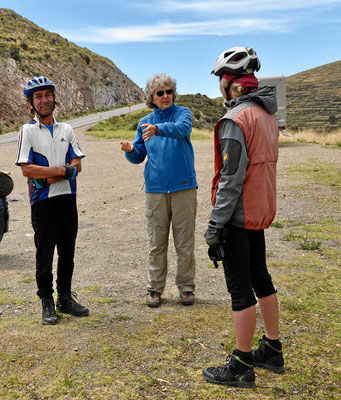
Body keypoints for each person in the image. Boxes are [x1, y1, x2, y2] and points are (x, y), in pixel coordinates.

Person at [202, 47, 284, 388]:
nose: (221, 86)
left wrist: (214, 225)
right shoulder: (266, 114)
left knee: (240, 290)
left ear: (230, 83)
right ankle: (273, 348)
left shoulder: (236, 120)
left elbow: (230, 177)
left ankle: (241, 363)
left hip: (237, 216)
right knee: (261, 278)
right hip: (259, 212)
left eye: (222, 79)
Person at [15, 76, 89, 325]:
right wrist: (61, 172)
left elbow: (77, 163)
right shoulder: (27, 131)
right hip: (43, 203)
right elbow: (27, 169)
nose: (44, 100)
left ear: (54, 98)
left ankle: (65, 298)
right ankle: (47, 300)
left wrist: (50, 175)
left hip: (67, 200)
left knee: (67, 252)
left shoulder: (66, 129)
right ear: (31, 104)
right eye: (38, 97)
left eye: (47, 95)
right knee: (44, 255)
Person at [120, 73, 197, 308]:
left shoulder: (182, 113)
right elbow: (138, 156)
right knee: (157, 242)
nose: (166, 96)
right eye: (160, 93)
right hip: (155, 190)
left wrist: (158, 129)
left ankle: (186, 288)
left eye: (169, 91)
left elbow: (181, 129)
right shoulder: (144, 122)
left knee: (184, 242)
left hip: (184, 187)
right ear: (152, 98)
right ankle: (154, 289)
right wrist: (130, 149)